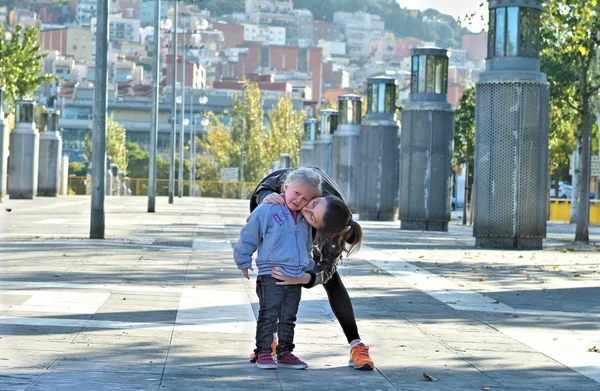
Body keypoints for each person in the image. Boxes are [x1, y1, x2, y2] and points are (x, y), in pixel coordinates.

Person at [249, 167, 375, 371]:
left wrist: (303, 278)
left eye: (312, 217)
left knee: (333, 282)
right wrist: (267, 196)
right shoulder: (306, 189)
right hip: (273, 203)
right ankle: (268, 341)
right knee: (272, 272)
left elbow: (327, 269)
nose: (304, 208)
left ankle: (357, 346)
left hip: (319, 223)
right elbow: (273, 183)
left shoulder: (333, 231)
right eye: (312, 203)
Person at [234, 168, 322, 370]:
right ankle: (263, 352)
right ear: (285, 187)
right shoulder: (267, 210)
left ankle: (285, 352)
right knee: (269, 314)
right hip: (270, 274)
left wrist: (307, 266)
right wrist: (243, 260)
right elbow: (249, 234)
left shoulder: (304, 218)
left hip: (295, 275)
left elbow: (306, 244)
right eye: (296, 193)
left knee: (289, 316)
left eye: (306, 198)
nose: (299, 200)